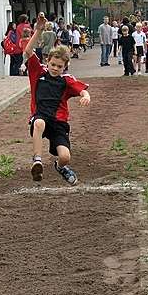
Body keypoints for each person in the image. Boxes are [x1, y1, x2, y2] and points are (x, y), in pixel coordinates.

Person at [24, 13, 91, 186]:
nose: (55, 68)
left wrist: (86, 96)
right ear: (47, 61)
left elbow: (81, 89)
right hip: (41, 117)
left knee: (65, 156)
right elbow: (28, 51)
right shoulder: (38, 73)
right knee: (38, 123)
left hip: (59, 123)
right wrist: (38, 30)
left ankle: (60, 167)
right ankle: (37, 161)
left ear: (65, 67)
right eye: (53, 64)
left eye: (59, 66)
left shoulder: (66, 80)